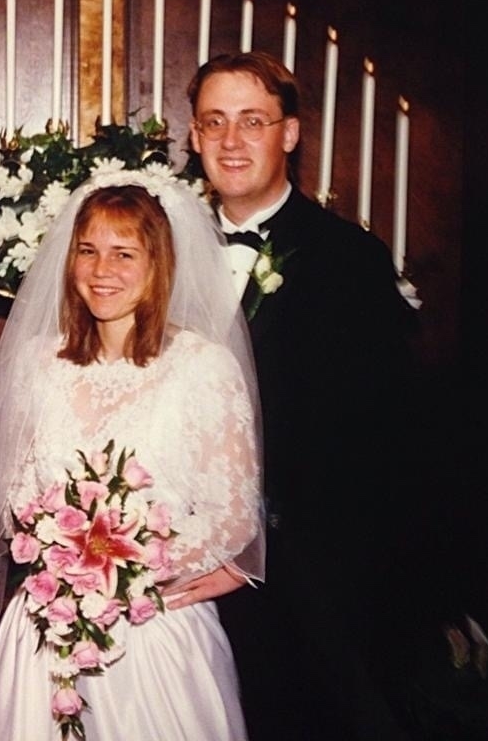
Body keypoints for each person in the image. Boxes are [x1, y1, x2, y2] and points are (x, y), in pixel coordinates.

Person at [0, 164, 264, 741]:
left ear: (157, 262)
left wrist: (122, 568)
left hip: (156, 631)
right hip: (46, 629)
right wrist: (64, 554)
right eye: (88, 250)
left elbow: (234, 513)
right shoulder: (36, 364)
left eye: (123, 253)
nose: (101, 271)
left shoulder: (202, 367)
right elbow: (16, 488)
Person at [169, 51, 418, 739]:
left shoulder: (348, 260)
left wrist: (254, 543)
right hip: (181, 566)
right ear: (191, 136)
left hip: (307, 581)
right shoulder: (158, 255)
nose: (229, 141)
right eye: (213, 122)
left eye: (251, 121)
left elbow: (374, 440)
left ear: (288, 133)